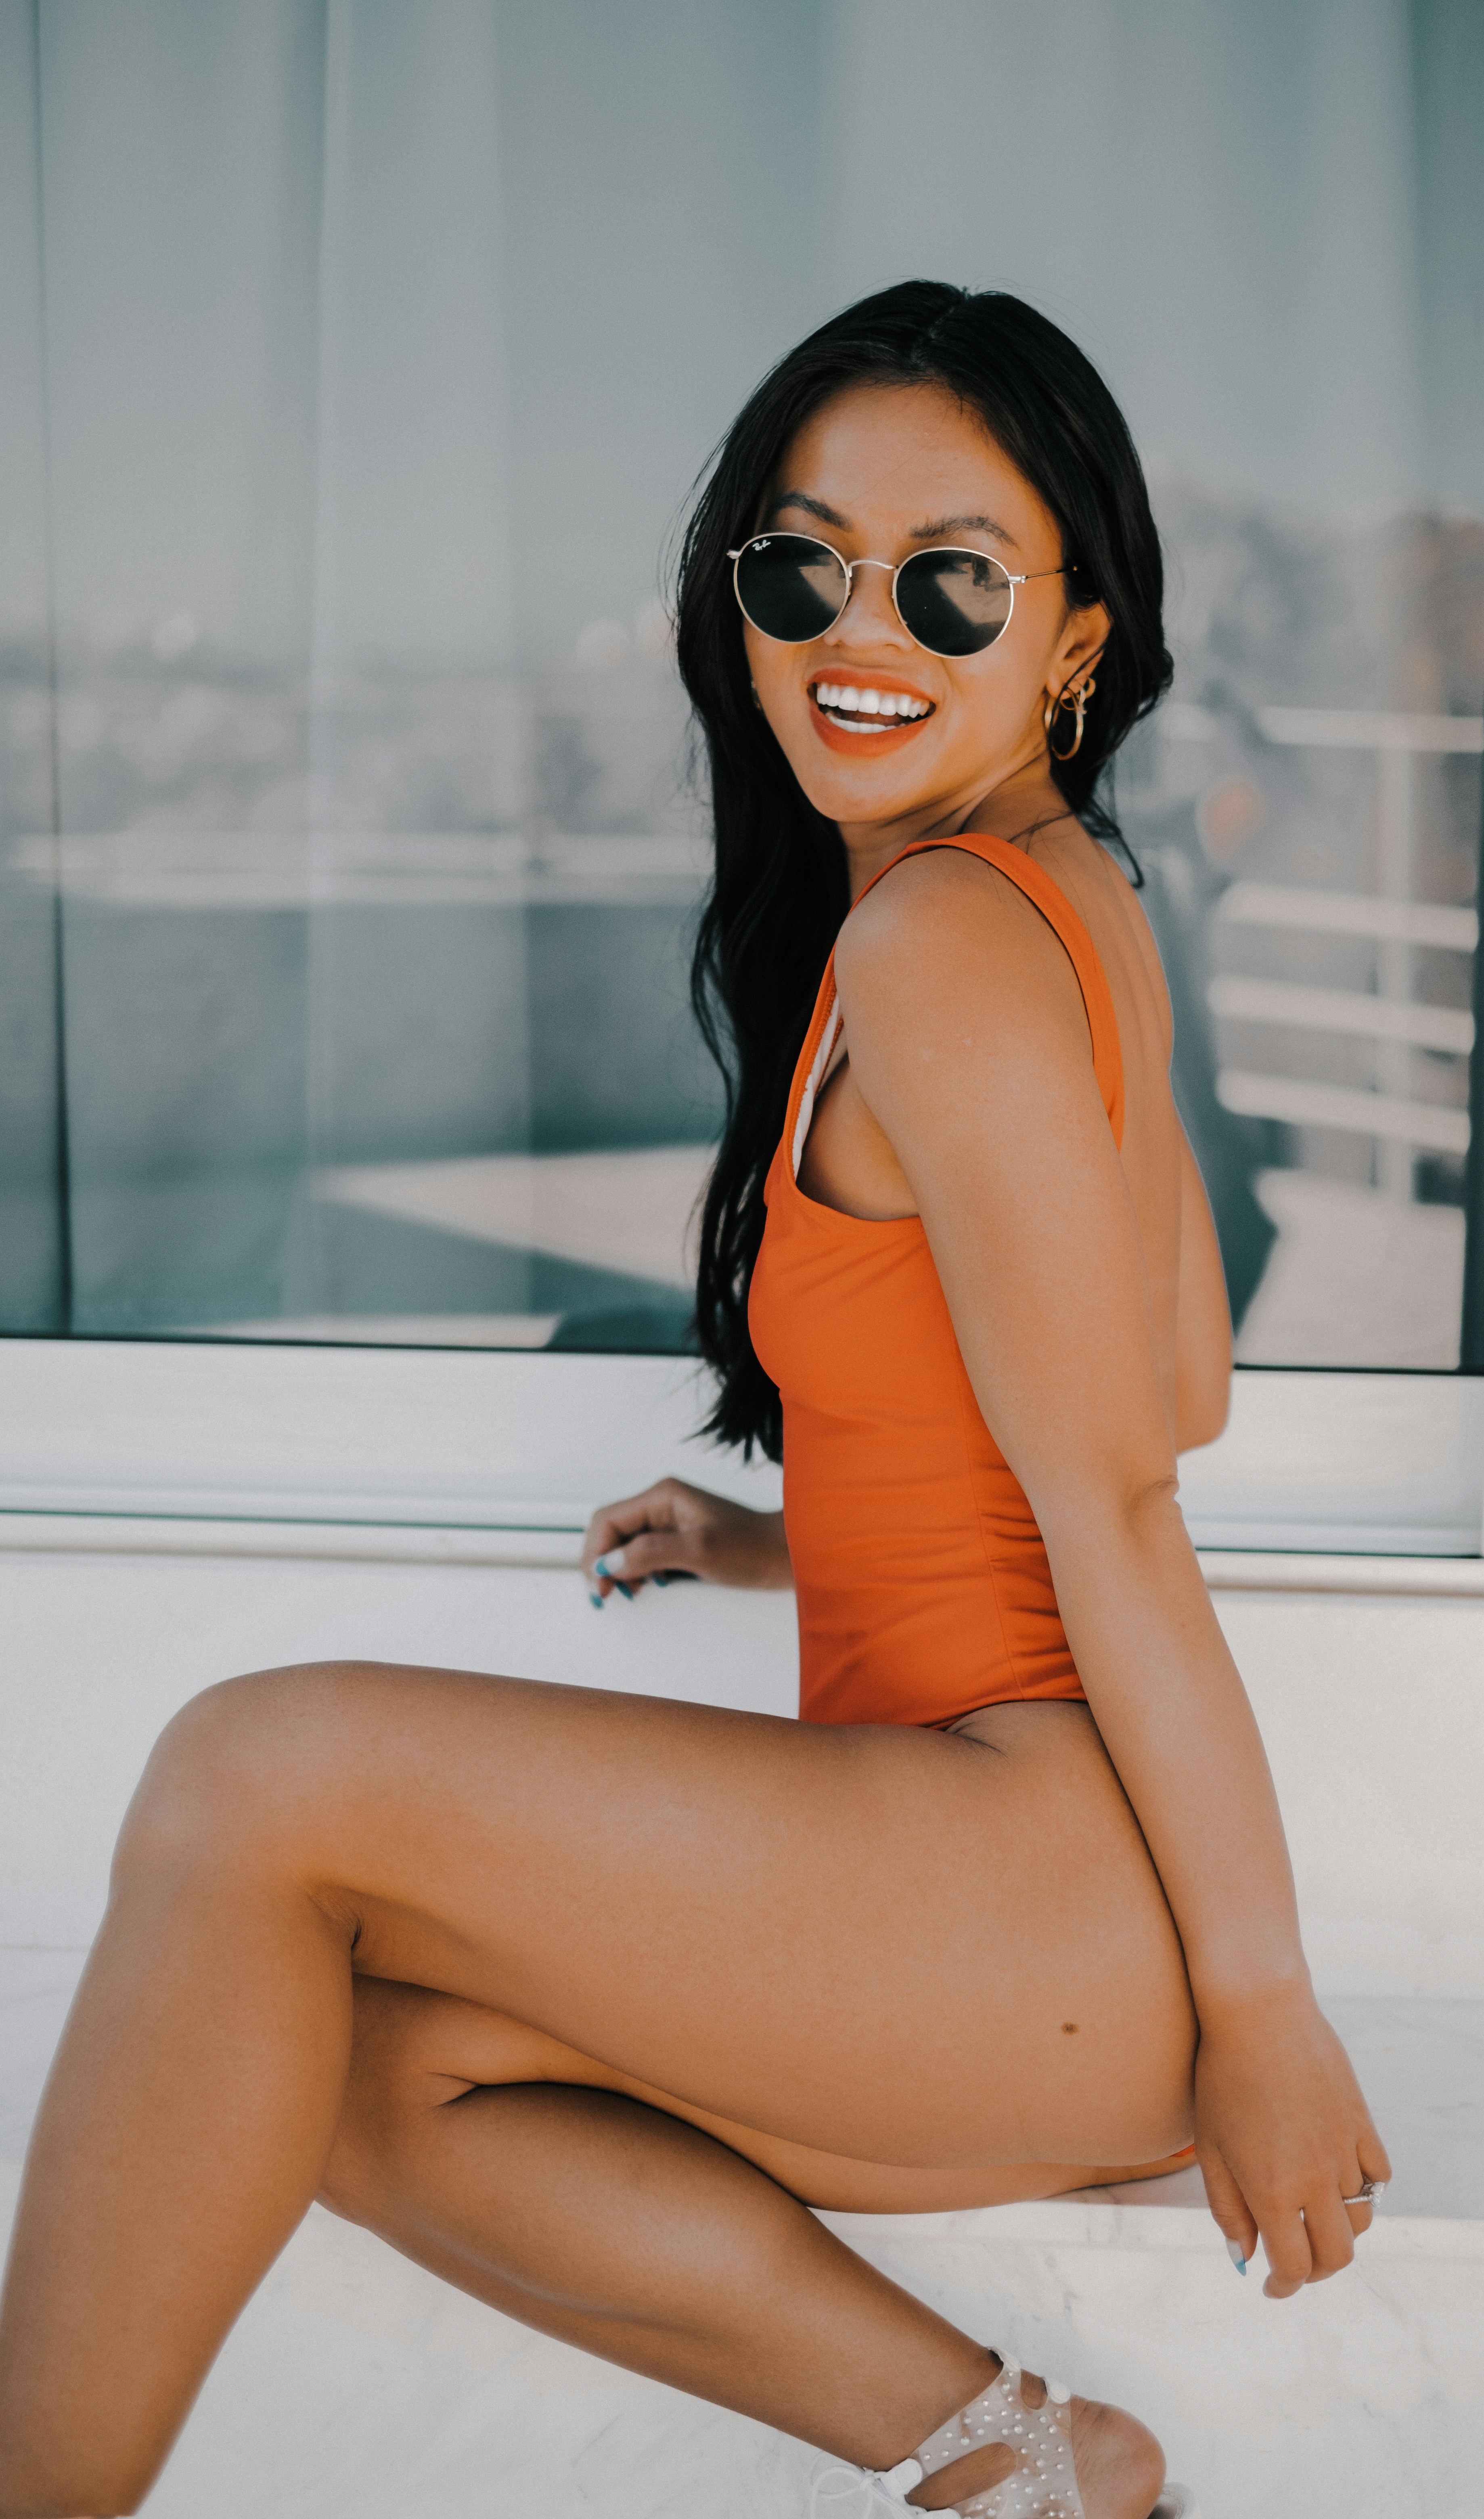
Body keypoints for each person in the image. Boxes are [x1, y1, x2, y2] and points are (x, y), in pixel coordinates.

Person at [0, 282, 1388, 2519]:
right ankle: (1023, 2466)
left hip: (1057, 1908)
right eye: (798, 562)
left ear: (1074, 638)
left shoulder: (945, 943)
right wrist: (798, 1528)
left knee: (248, 1773)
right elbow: (1173, 1384)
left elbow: (1124, 1495)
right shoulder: (1077, 897)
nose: (863, 624)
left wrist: (1266, 2009)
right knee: (344, 2067)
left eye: (952, 576)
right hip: (1010, 1913)